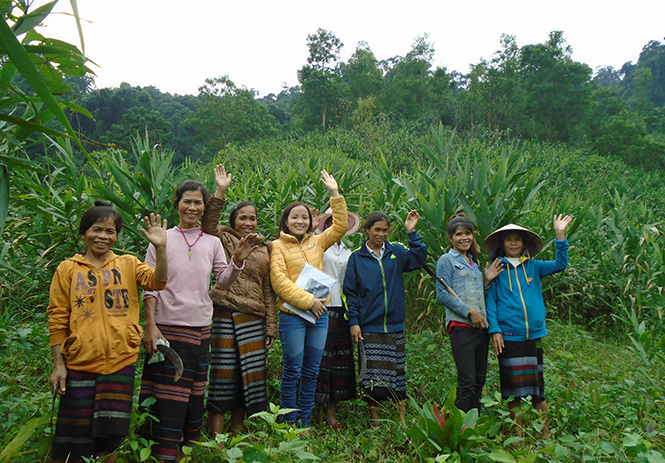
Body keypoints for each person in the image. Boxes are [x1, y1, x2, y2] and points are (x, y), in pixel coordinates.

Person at [139, 180, 261, 462]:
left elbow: (223, 280)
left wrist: (238, 261)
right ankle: (160, 453)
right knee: (165, 397)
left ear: (204, 207)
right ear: (177, 204)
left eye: (198, 202)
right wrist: (151, 325)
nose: (192, 207)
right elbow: (149, 286)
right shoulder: (162, 238)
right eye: (187, 201)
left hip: (200, 330)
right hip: (167, 330)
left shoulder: (212, 242)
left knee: (193, 395)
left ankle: (186, 451)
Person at [48, 201, 168, 463]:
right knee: (73, 439)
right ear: (84, 233)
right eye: (96, 229)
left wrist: (160, 248)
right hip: (80, 362)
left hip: (120, 362)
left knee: (111, 439)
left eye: (110, 231)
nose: (103, 236)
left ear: (117, 235)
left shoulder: (128, 263)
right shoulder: (67, 269)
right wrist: (59, 364)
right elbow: (57, 320)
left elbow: (158, 281)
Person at [200, 165, 277, 436]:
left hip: (254, 317)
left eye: (253, 218)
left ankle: (237, 430)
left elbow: (268, 290)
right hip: (225, 312)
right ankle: (217, 434)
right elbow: (207, 223)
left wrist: (271, 327)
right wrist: (220, 191)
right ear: (233, 220)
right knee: (223, 372)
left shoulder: (265, 248)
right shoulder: (222, 237)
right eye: (242, 217)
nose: (248, 222)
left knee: (249, 375)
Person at [270, 170, 348, 427]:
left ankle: (304, 422)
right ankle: (288, 421)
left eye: (304, 217)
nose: (300, 221)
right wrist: (309, 302)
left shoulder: (318, 242)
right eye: (295, 217)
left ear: (311, 221)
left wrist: (335, 194)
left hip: (319, 317)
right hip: (293, 316)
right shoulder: (278, 246)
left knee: (312, 371)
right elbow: (279, 281)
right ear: (286, 221)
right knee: (293, 369)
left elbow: (341, 226)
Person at [484, 214, 572, 438]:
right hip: (509, 336)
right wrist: (495, 329)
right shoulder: (497, 269)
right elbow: (491, 302)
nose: (513, 243)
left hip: (532, 336)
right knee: (513, 393)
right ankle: (518, 437)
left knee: (537, 392)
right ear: (502, 245)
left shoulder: (534, 267)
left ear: (524, 244)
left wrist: (560, 234)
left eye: (517, 239)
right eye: (508, 240)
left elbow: (561, 264)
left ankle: (545, 436)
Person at [343, 210, 427, 427]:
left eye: (385, 230)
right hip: (369, 325)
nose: (381, 234)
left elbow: (418, 260)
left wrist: (412, 232)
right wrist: (354, 322)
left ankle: (401, 420)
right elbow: (350, 294)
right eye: (377, 230)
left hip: (395, 324)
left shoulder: (396, 252)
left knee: (398, 374)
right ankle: (375, 421)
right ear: (366, 230)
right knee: (372, 375)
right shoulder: (357, 258)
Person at [435, 214, 503, 413]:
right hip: (461, 328)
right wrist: (469, 311)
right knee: (467, 380)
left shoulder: (474, 263)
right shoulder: (446, 260)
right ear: (450, 238)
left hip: (480, 329)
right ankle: (459, 429)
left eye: (468, 233)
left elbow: (479, 296)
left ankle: (473, 425)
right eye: (458, 234)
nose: (464, 238)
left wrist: (487, 281)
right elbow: (442, 295)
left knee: (479, 381)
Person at [311, 207, 362, 429]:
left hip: (340, 309)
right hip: (320, 306)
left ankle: (331, 414)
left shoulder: (348, 251)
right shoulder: (318, 243)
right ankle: (316, 413)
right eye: (331, 221)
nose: (336, 225)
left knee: (339, 362)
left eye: (340, 221)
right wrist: (313, 230)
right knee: (321, 362)